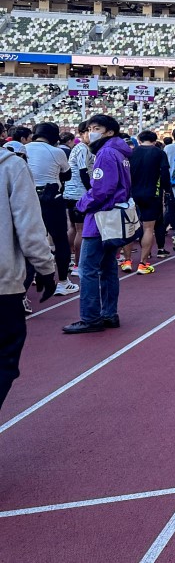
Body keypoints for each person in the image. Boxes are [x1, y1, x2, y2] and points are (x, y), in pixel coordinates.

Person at [64, 115, 134, 334]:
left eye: (96, 128)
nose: (90, 133)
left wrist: (82, 204)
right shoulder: (120, 152)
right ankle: (109, 314)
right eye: (89, 128)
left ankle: (90, 317)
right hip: (113, 217)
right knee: (108, 268)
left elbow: (101, 189)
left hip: (100, 218)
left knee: (88, 269)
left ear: (109, 132)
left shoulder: (105, 153)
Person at [0, 138, 56, 410]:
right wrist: (46, 268)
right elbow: (29, 227)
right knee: (4, 359)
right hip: (3, 284)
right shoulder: (11, 166)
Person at [24, 123, 77, 296]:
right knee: (60, 240)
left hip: (27, 199)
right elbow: (67, 175)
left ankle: (30, 280)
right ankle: (63, 282)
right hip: (51, 198)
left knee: (29, 241)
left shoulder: (24, 149)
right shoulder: (56, 151)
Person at [129, 130, 171, 274]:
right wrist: (167, 190)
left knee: (130, 227)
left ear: (139, 140)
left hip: (132, 194)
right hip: (152, 194)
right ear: (154, 140)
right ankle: (143, 263)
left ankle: (127, 260)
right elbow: (165, 173)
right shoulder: (159, 153)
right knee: (148, 228)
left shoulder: (131, 153)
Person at [64, 122, 93, 273]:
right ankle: (77, 264)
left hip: (71, 193)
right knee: (81, 230)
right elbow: (83, 172)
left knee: (73, 228)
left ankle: (70, 260)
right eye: (89, 131)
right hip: (78, 194)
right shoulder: (82, 148)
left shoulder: (79, 148)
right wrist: (91, 191)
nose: (92, 134)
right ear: (81, 134)